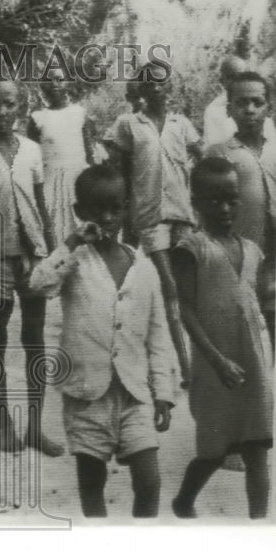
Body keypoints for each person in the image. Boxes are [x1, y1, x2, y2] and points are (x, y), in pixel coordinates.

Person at [29, 164, 176, 517]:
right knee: (92, 481)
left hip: (134, 394)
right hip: (86, 396)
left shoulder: (142, 267)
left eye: (116, 208)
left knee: (149, 480)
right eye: (97, 211)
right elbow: (39, 283)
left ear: (126, 208)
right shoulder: (75, 259)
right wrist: (72, 241)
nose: (108, 218)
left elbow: (157, 335)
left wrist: (164, 394)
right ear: (80, 213)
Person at [0, 81, 62, 456]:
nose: (2, 111)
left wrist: (50, 253)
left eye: (9, 103)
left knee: (34, 338)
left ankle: (35, 425)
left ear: (21, 105)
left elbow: (40, 203)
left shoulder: (33, 150)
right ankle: (4, 421)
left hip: (31, 254)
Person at [171, 157, 273, 518]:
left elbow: (254, 309)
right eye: (214, 201)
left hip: (253, 364)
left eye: (231, 199)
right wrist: (217, 361)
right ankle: (184, 499)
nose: (225, 209)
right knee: (214, 450)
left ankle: (258, 525)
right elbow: (186, 312)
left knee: (257, 446)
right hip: (214, 368)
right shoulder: (190, 249)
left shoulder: (251, 250)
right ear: (195, 202)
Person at [102, 64, 202, 385]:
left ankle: (191, 359)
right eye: (150, 84)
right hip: (149, 216)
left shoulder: (181, 124)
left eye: (162, 84)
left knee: (188, 289)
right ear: (142, 91)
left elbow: (202, 157)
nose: (157, 89)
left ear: (170, 88)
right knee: (169, 287)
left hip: (182, 214)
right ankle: (184, 369)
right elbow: (116, 168)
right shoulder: (129, 124)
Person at [203, 71, 276, 330]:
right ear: (229, 109)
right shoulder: (218, 154)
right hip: (238, 263)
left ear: (270, 108)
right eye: (242, 103)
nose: (250, 109)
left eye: (257, 102)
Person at [27, 66, 104, 247]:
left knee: (82, 229)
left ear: (67, 83)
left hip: (77, 180)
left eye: (59, 79)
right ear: (43, 85)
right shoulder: (37, 117)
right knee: (54, 231)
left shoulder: (79, 114)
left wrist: (95, 184)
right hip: (49, 182)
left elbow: (89, 153)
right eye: (49, 80)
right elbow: (32, 157)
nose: (55, 84)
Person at [202, 55, 276, 145]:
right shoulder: (214, 110)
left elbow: (271, 141)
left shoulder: (259, 103)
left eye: (242, 76)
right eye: (232, 77)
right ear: (222, 81)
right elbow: (213, 146)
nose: (237, 81)